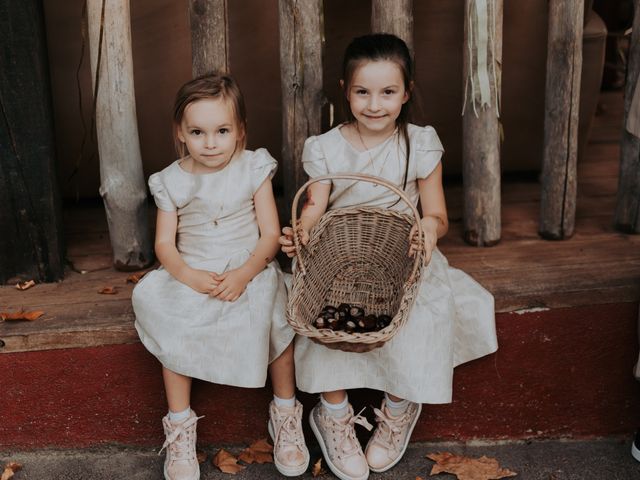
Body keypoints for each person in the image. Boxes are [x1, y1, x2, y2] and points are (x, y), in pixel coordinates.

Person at [280, 33, 498, 480]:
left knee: (425, 312)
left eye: (388, 92)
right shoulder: (326, 147)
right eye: (362, 91)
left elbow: (436, 213)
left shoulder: (420, 143)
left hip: (406, 255)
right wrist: (301, 232)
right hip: (343, 256)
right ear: (345, 89)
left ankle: (398, 407)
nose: (374, 104)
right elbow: (315, 204)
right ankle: (333, 413)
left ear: (407, 92)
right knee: (317, 314)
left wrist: (429, 230)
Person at [132, 72, 309, 480]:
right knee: (170, 321)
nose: (210, 143)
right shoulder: (171, 181)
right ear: (181, 132)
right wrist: (187, 275)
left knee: (276, 315)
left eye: (222, 131)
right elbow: (164, 245)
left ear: (240, 131)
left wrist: (246, 273)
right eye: (198, 131)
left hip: (249, 267)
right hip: (195, 269)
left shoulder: (253, 168)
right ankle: (179, 427)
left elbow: (269, 233)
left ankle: (284, 414)